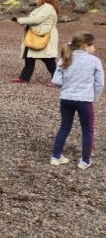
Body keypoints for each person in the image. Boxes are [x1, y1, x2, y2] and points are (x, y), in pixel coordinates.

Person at [50, 32, 103, 169]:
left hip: (66, 98)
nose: (94, 48)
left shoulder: (64, 59)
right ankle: (85, 161)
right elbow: (100, 84)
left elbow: (56, 80)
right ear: (85, 46)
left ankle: (56, 157)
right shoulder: (94, 61)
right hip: (85, 100)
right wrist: (94, 97)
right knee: (88, 130)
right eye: (92, 45)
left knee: (65, 126)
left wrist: (67, 86)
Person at [11, 0, 60, 84]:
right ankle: (24, 78)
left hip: (43, 36)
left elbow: (36, 20)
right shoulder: (43, 7)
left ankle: (58, 80)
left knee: (48, 60)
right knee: (30, 57)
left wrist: (20, 20)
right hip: (38, 35)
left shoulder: (47, 7)